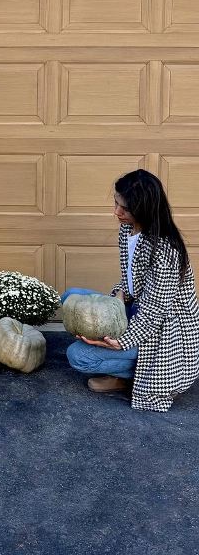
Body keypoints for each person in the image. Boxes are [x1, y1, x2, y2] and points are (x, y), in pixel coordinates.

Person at [64, 169, 199, 412]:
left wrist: (121, 341)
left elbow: (156, 310)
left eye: (125, 208)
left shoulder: (166, 249)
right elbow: (132, 278)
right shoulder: (129, 229)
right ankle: (124, 367)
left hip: (163, 330)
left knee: (79, 356)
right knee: (71, 296)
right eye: (116, 203)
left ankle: (130, 378)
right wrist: (118, 296)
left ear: (145, 208)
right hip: (139, 308)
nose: (117, 212)